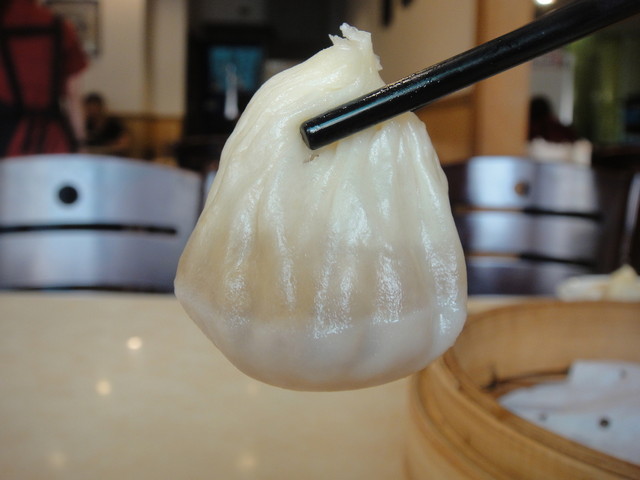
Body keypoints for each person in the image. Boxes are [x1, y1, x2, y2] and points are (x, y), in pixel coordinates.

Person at [0, 0, 88, 157]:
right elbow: (73, 95)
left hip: (7, 138)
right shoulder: (60, 27)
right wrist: (81, 144)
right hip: (52, 137)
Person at [83, 92, 131, 156]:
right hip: (89, 158)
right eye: (89, 108)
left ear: (101, 107)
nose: (92, 111)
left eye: (95, 107)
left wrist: (105, 149)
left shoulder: (114, 123)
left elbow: (124, 145)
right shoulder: (84, 124)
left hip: (111, 157)